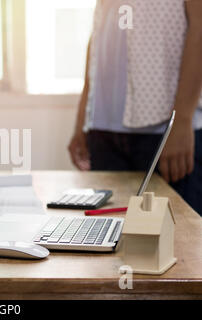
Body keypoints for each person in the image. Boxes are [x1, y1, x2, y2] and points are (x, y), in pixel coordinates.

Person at [68, 0, 202, 215]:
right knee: (107, 237)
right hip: (103, 131)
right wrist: (83, 118)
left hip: (163, 132)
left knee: (176, 239)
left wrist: (182, 120)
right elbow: (98, 33)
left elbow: (199, 27)